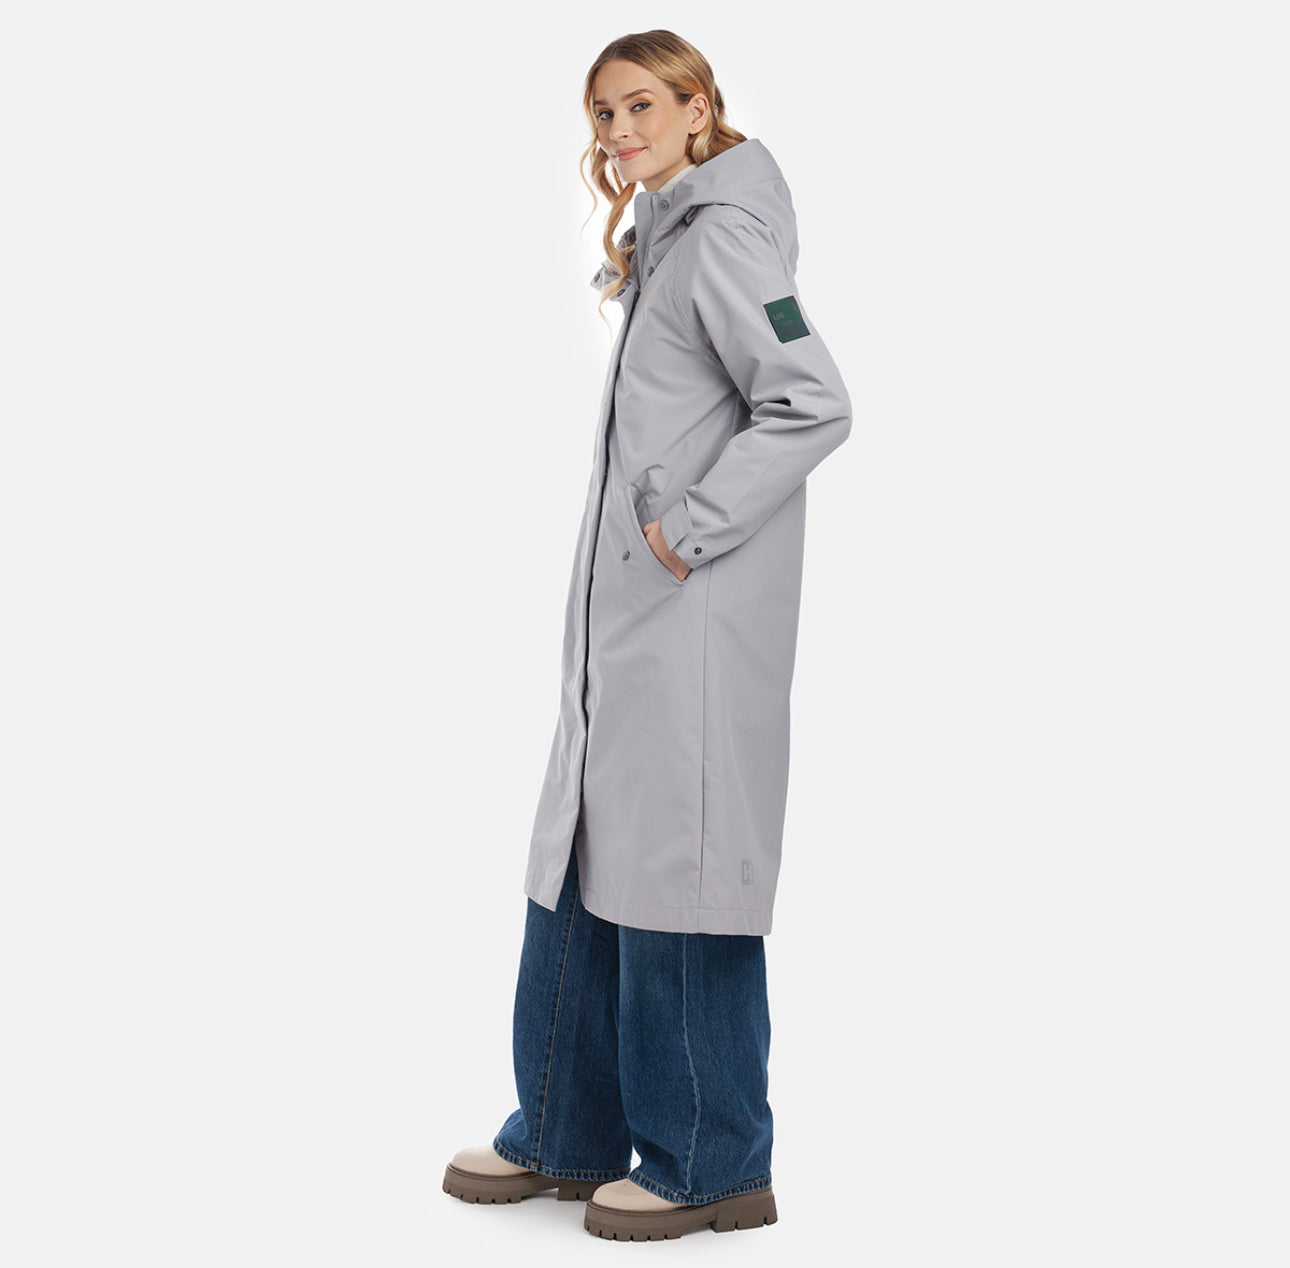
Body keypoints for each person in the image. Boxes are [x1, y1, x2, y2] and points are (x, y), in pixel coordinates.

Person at [442, 29, 852, 1241]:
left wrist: (688, 532)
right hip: (627, 622)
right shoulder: (667, 236)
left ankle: (711, 1160)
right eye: (604, 114)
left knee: (678, 866)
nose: (619, 133)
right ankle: (565, 1129)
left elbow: (812, 399)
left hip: (692, 619)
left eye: (641, 107)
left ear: (697, 107)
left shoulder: (723, 238)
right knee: (585, 851)